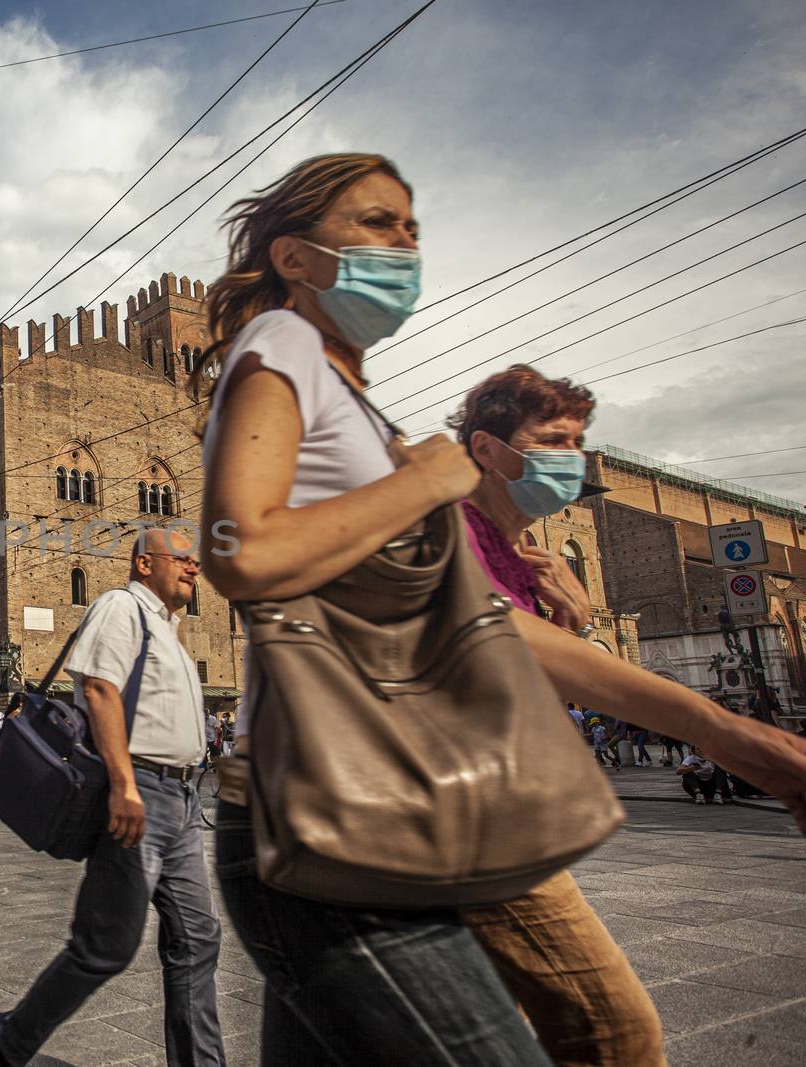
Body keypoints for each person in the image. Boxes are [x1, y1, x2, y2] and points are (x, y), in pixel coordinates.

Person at [196, 152, 806, 1065]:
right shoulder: (283, 346)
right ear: (295, 256)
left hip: (384, 791)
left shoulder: (351, 404)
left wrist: (723, 732)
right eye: (375, 223)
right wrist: (429, 482)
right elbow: (240, 549)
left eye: (411, 226)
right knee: (609, 1034)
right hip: (340, 800)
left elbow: (479, 621)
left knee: (611, 1031)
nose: (404, 243)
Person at [446, 363, 667, 1063]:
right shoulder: (454, 532)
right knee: (615, 1031)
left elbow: (538, 697)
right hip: (471, 823)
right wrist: (741, 739)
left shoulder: (524, 555)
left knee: (493, 1033)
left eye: (579, 441)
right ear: (488, 448)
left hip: (507, 813)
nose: (573, 459)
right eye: (554, 439)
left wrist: (573, 624)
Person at [0, 529, 221, 1066]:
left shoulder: (167, 629)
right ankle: (11, 1039)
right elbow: (98, 689)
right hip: (142, 790)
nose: (192, 567)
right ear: (143, 564)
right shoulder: (120, 607)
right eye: (181, 558)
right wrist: (125, 783)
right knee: (106, 947)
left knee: (198, 939)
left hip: (180, 799)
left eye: (195, 559)